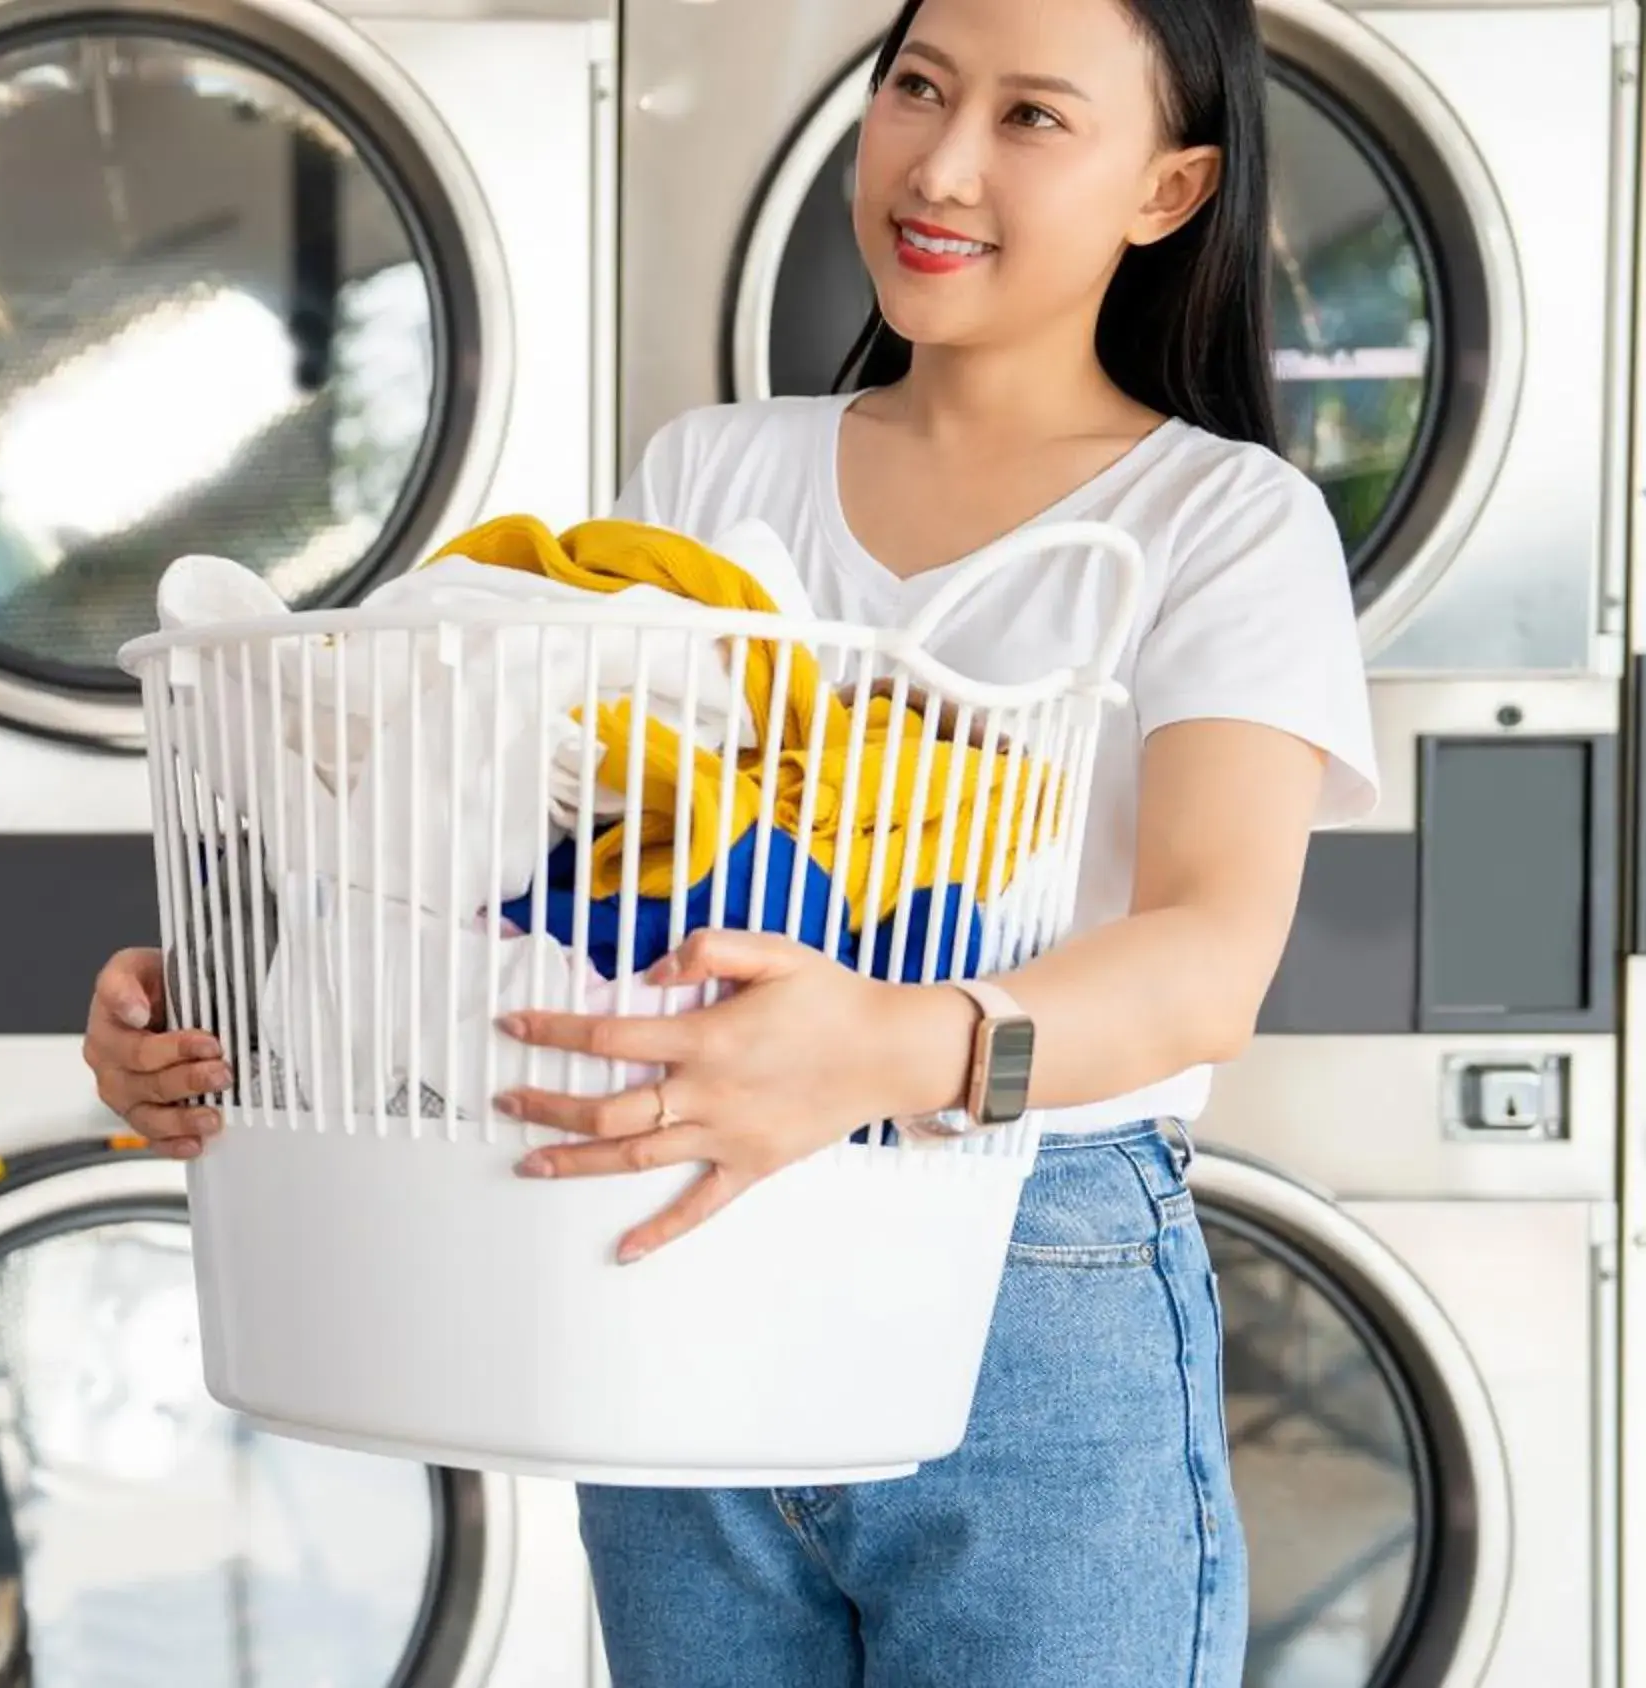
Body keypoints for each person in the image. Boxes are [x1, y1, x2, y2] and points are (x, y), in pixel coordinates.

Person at [80, 0, 1377, 1679]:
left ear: (1170, 186)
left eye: (1033, 118)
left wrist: (883, 1049)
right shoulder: (715, 476)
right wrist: (241, 1025)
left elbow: (1209, 960)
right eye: (918, 86)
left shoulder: (1219, 519)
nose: (943, 159)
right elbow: (550, 867)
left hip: (1028, 1275)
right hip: (673, 1256)